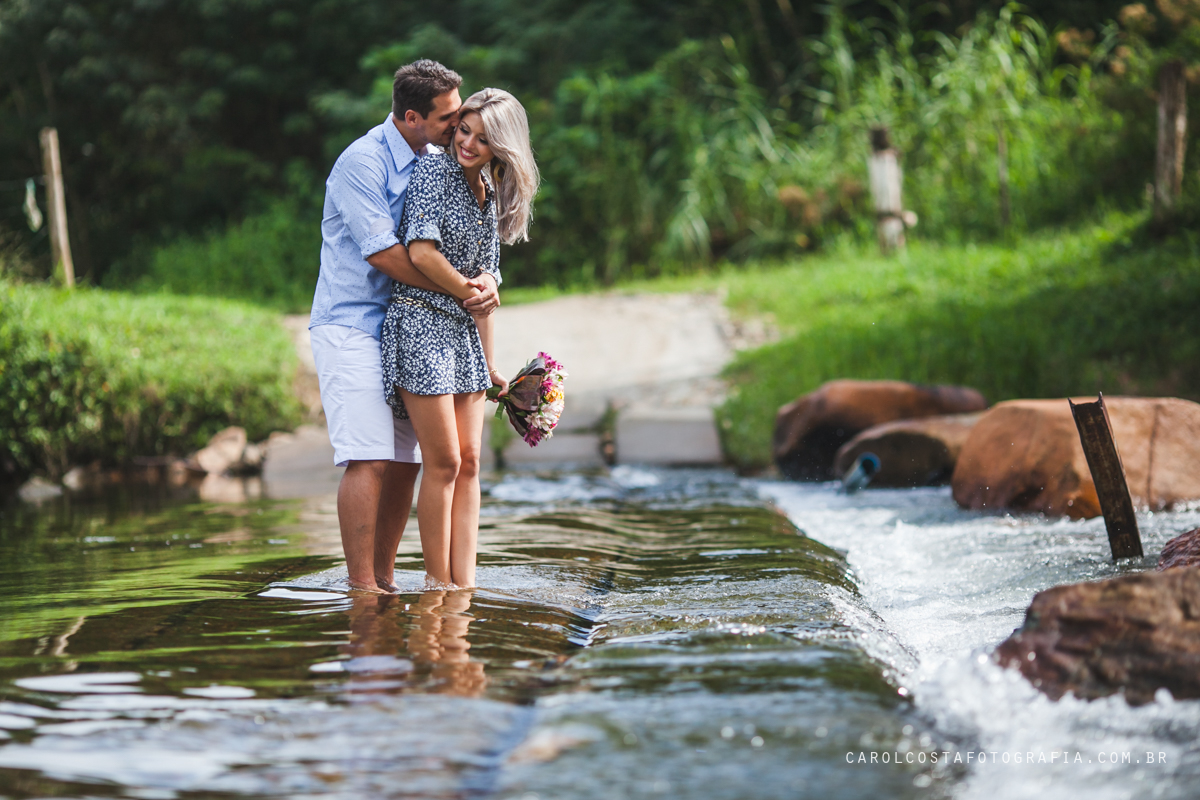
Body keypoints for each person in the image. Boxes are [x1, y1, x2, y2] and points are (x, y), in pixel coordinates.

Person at [308, 60, 500, 595]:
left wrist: (485, 278)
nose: (456, 125)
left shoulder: (436, 159)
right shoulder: (361, 164)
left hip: (405, 327)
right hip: (351, 324)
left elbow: (467, 235)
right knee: (367, 457)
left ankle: (387, 581)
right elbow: (388, 256)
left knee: (406, 461)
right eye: (448, 118)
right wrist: (462, 289)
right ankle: (363, 590)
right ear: (412, 116)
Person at [381, 88, 539, 588]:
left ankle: (464, 583)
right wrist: (472, 287)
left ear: (503, 147)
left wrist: (490, 286)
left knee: (471, 462)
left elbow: (489, 270)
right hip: (421, 323)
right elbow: (422, 252)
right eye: (464, 130)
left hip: (463, 337)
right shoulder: (434, 172)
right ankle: (437, 583)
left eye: (483, 138)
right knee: (444, 461)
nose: (467, 143)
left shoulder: (488, 192)